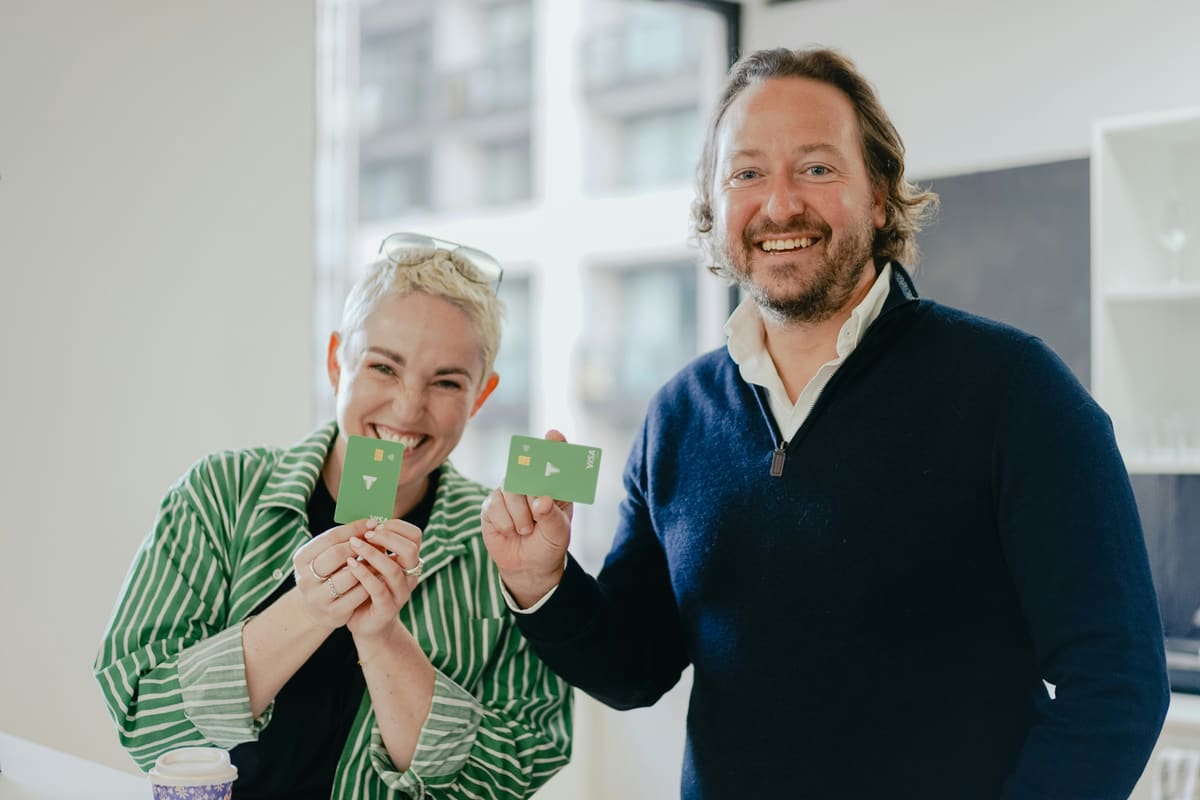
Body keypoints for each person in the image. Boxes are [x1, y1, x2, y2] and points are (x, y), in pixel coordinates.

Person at [481, 47, 1169, 799]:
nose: (779, 206)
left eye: (815, 168)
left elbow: (1117, 687)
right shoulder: (678, 415)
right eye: (746, 174)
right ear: (714, 209)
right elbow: (636, 668)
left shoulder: (1016, 390)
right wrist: (543, 584)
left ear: (879, 196)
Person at [95, 234, 572, 800]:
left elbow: (514, 772)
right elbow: (143, 721)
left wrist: (383, 637)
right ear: (334, 361)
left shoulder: (509, 550)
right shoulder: (219, 496)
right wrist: (307, 610)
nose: (406, 407)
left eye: (446, 382)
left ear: (481, 396)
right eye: (383, 367)